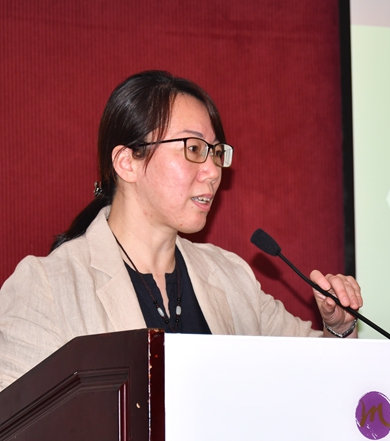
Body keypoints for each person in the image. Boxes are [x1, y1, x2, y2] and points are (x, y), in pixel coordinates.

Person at [0, 70, 362, 391]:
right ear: (127, 163)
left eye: (216, 152)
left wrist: (339, 326)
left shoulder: (232, 277)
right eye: (193, 148)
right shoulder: (47, 286)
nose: (214, 171)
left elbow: (315, 378)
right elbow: (17, 420)